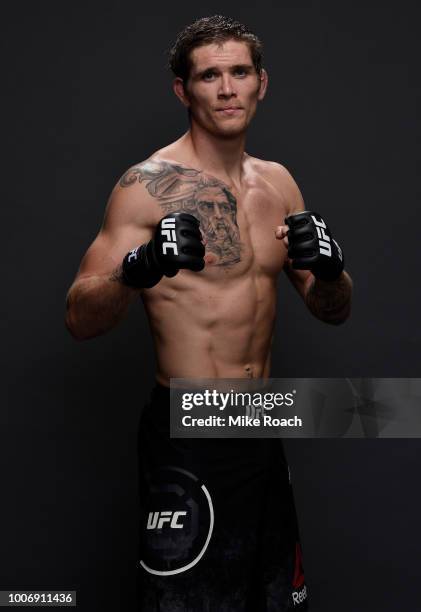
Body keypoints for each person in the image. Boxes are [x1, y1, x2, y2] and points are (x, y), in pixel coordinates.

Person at [65, 14, 352, 611]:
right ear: (183, 89)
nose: (227, 89)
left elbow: (331, 310)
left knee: (276, 600)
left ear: (261, 82)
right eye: (209, 76)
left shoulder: (278, 184)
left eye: (239, 72)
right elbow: (79, 317)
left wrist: (330, 271)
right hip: (188, 433)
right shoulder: (145, 185)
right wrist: (136, 268)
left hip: (262, 423)